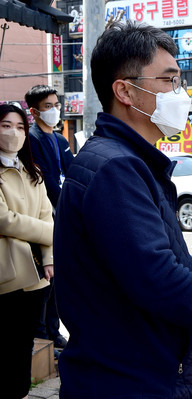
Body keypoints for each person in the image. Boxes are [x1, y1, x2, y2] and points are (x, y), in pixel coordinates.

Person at [53, 21, 192, 399]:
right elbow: (155, 275)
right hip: (133, 380)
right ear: (125, 91)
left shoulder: (130, 161)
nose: (179, 93)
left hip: (142, 369)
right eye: (169, 81)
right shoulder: (117, 167)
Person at [0, 103, 54, 399]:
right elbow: (3, 218)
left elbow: (46, 214)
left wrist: (49, 258)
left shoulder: (32, 171)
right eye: (6, 125)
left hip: (36, 276)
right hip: (6, 276)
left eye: (20, 127)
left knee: (23, 346)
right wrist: (51, 233)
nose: (14, 133)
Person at [25, 84, 74, 350]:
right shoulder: (31, 139)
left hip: (62, 217)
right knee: (45, 279)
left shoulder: (61, 140)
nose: (55, 111)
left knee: (58, 281)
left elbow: (73, 174)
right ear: (34, 111)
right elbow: (45, 182)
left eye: (56, 105)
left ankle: (54, 332)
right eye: (48, 107)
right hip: (45, 218)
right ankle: (42, 334)